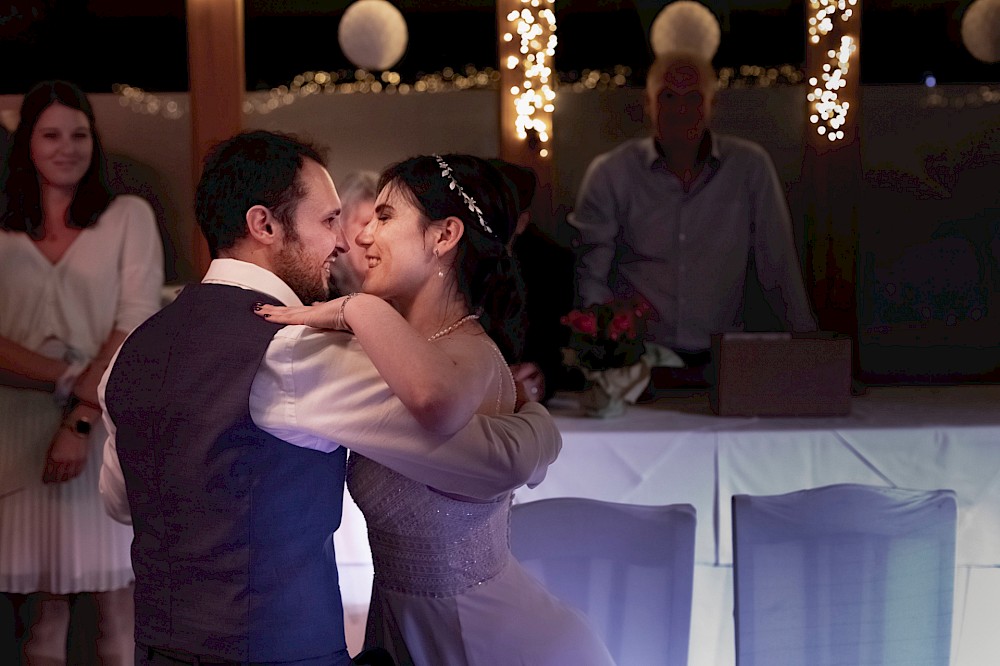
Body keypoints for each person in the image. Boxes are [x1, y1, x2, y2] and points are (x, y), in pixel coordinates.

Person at [97, 132, 562, 666]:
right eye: (327, 221)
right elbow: (488, 462)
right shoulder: (295, 353)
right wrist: (538, 418)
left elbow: (121, 501)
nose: (345, 243)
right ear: (264, 226)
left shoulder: (133, 350)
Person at [256, 154, 616, 666]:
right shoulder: (404, 350)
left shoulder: (469, 351)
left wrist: (355, 307)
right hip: (403, 631)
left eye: (384, 217)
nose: (361, 237)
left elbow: (435, 402)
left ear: (444, 236)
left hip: (490, 640)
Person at [0, 80, 163, 664]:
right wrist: (66, 377)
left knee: (117, 608)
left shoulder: (127, 216)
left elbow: (137, 319)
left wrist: (82, 413)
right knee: (41, 619)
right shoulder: (2, 225)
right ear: (27, 144)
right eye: (51, 135)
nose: (67, 147)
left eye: (79, 134)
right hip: (15, 433)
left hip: (101, 430)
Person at [568, 50, 817, 369]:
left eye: (694, 98)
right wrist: (603, 356)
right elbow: (591, 275)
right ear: (649, 103)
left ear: (713, 104)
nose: (680, 109)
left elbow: (778, 263)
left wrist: (811, 353)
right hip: (638, 360)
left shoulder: (748, 167)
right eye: (668, 96)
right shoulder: (611, 173)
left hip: (726, 358)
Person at [488, 158, 580, 404]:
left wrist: (539, 375)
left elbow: (555, 344)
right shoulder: (444, 256)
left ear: (522, 222)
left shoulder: (551, 263)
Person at [328, 169, 379, 298]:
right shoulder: (323, 293)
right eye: (367, 223)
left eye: (383, 223)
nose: (376, 235)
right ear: (341, 225)